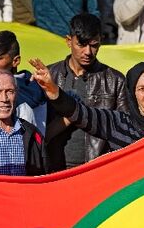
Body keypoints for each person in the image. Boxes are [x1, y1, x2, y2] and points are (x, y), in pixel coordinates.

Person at [31, 59, 144, 151]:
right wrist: (53, 90)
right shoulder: (119, 124)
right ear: (133, 95)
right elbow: (79, 113)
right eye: (141, 89)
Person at [41, 13, 126, 170]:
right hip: (53, 171)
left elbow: (124, 132)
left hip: (97, 171)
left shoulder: (116, 80)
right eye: (82, 44)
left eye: (94, 45)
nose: (88, 52)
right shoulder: (49, 75)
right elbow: (36, 130)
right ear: (68, 41)